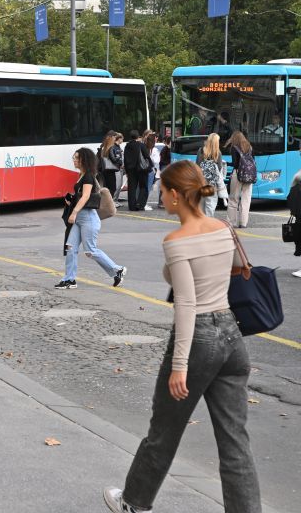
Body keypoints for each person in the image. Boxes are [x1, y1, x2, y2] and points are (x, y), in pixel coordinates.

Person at [103, 160, 261, 513]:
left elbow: (187, 304)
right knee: (235, 443)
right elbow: (237, 266)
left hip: (199, 340)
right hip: (232, 337)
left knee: (164, 431)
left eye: (162, 191)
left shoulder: (176, 241)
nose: (160, 196)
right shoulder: (223, 228)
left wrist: (179, 366)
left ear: (175, 195)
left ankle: (134, 503)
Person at [55, 148, 126, 290]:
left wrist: (74, 212)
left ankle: (117, 269)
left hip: (88, 218)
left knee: (90, 251)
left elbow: (86, 196)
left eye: (76, 158)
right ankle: (69, 279)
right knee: (70, 247)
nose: (74, 160)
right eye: (74, 157)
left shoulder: (88, 176)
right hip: (80, 218)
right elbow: (81, 196)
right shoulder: (81, 175)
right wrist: (72, 199)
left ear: (84, 160)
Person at [226, 132, 255, 228]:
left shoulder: (234, 148)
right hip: (249, 175)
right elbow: (253, 161)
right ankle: (243, 223)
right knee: (246, 199)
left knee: (233, 199)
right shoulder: (249, 147)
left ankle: (231, 222)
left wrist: (227, 163)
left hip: (238, 174)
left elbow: (235, 164)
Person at [196, 133, 226, 217]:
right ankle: (208, 222)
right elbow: (219, 169)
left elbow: (197, 165)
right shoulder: (218, 153)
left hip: (201, 183)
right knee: (210, 206)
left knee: (201, 205)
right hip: (212, 184)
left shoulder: (201, 150)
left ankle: (201, 222)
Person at [123, 130, 151, 211]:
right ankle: (140, 203)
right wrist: (150, 167)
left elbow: (125, 160)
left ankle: (132, 206)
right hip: (141, 169)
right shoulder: (141, 145)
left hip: (131, 170)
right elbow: (147, 156)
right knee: (143, 186)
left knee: (131, 188)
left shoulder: (127, 146)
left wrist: (127, 171)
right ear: (138, 136)